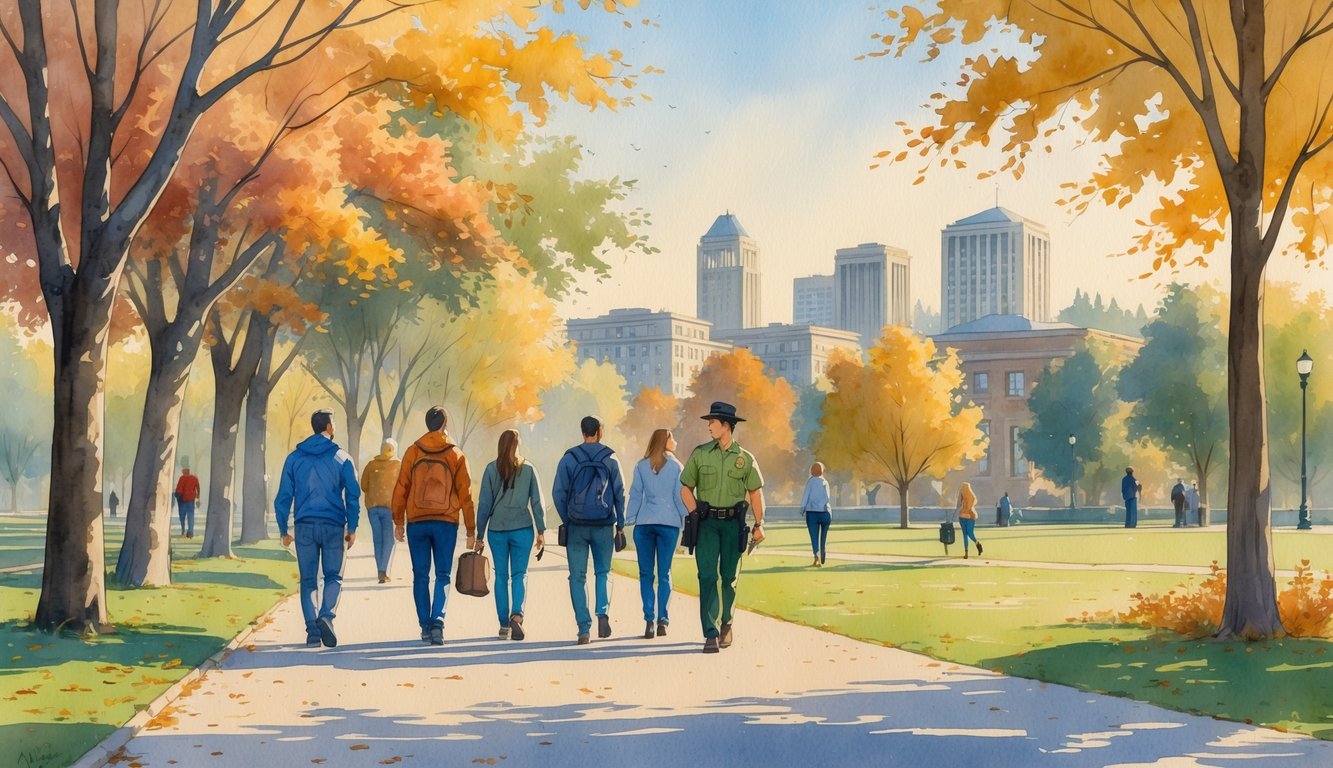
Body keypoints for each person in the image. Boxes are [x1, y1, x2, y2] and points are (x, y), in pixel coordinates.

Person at [680, 401, 766, 654]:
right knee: (707, 576)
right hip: (706, 525)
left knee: (729, 578)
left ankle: (727, 622)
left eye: (712, 422)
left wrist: (759, 525)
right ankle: (710, 632)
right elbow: (685, 488)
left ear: (726, 426)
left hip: (732, 525)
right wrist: (695, 513)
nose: (708, 426)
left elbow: (755, 493)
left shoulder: (746, 459)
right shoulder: (700, 454)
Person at [274, 409, 361, 648]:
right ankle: (326, 615)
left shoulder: (294, 458)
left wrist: (283, 529)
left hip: (304, 526)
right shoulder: (342, 457)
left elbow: (282, 497)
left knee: (308, 580)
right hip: (334, 525)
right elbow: (353, 496)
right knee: (334, 576)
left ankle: (312, 631)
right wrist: (352, 527)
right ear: (330, 427)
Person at [393, 406, 475, 646]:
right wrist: (471, 529)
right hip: (446, 522)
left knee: (420, 575)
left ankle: (425, 626)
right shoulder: (455, 454)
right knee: (442, 575)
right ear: (444, 425)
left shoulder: (412, 451)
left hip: (417, 521)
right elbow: (466, 493)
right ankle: (438, 621)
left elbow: (401, 488)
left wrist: (398, 520)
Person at [552, 415, 626, 645]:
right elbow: (620, 492)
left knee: (577, 577)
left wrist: (568, 517)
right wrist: (620, 523)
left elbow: (558, 493)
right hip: (604, 525)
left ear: (582, 432)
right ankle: (602, 613)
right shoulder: (611, 458)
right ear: (599, 432)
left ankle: (584, 629)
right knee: (603, 572)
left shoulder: (569, 458)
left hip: (577, 526)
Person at [474, 429, 546, 641]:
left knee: (501, 576)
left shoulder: (490, 469)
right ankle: (517, 615)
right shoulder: (529, 468)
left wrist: (479, 534)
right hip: (523, 528)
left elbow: (484, 504)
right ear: (518, 445)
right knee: (519, 575)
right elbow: (537, 502)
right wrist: (541, 530)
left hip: (497, 529)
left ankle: (504, 625)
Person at [626, 428, 689, 639]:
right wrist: (686, 517)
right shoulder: (677, 467)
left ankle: (649, 620)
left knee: (646, 574)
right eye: (673, 437)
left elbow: (635, 494)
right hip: (668, 524)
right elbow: (679, 496)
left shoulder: (642, 466)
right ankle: (663, 619)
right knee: (664, 574)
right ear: (665, 441)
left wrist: (629, 518)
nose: (676, 441)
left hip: (644, 524)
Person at [361, 438, 401, 583]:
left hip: (373, 507)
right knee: (389, 541)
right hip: (389, 508)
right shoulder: (398, 465)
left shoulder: (371, 465)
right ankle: (383, 570)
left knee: (378, 540)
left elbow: (364, 485)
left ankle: (380, 570)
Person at [799, 462, 832, 567]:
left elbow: (806, 496)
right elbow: (827, 497)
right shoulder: (825, 482)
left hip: (812, 513)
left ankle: (816, 556)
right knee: (824, 535)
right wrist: (821, 505)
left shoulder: (810, 482)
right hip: (825, 512)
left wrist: (802, 508)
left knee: (814, 536)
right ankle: (823, 550)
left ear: (812, 471)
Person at [955, 481, 983, 559]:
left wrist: (968, 507)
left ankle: (978, 544)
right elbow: (959, 504)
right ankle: (966, 552)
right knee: (965, 535)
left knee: (970, 534)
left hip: (970, 517)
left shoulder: (971, 498)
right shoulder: (962, 496)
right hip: (962, 517)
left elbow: (973, 500)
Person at [174, 467, 200, 538]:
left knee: (182, 517)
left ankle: (183, 530)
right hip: (191, 500)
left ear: (184, 472)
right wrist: (198, 496)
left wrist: (177, 495)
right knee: (190, 517)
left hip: (182, 501)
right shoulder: (194, 478)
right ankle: (190, 533)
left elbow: (178, 489)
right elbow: (198, 488)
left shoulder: (182, 478)